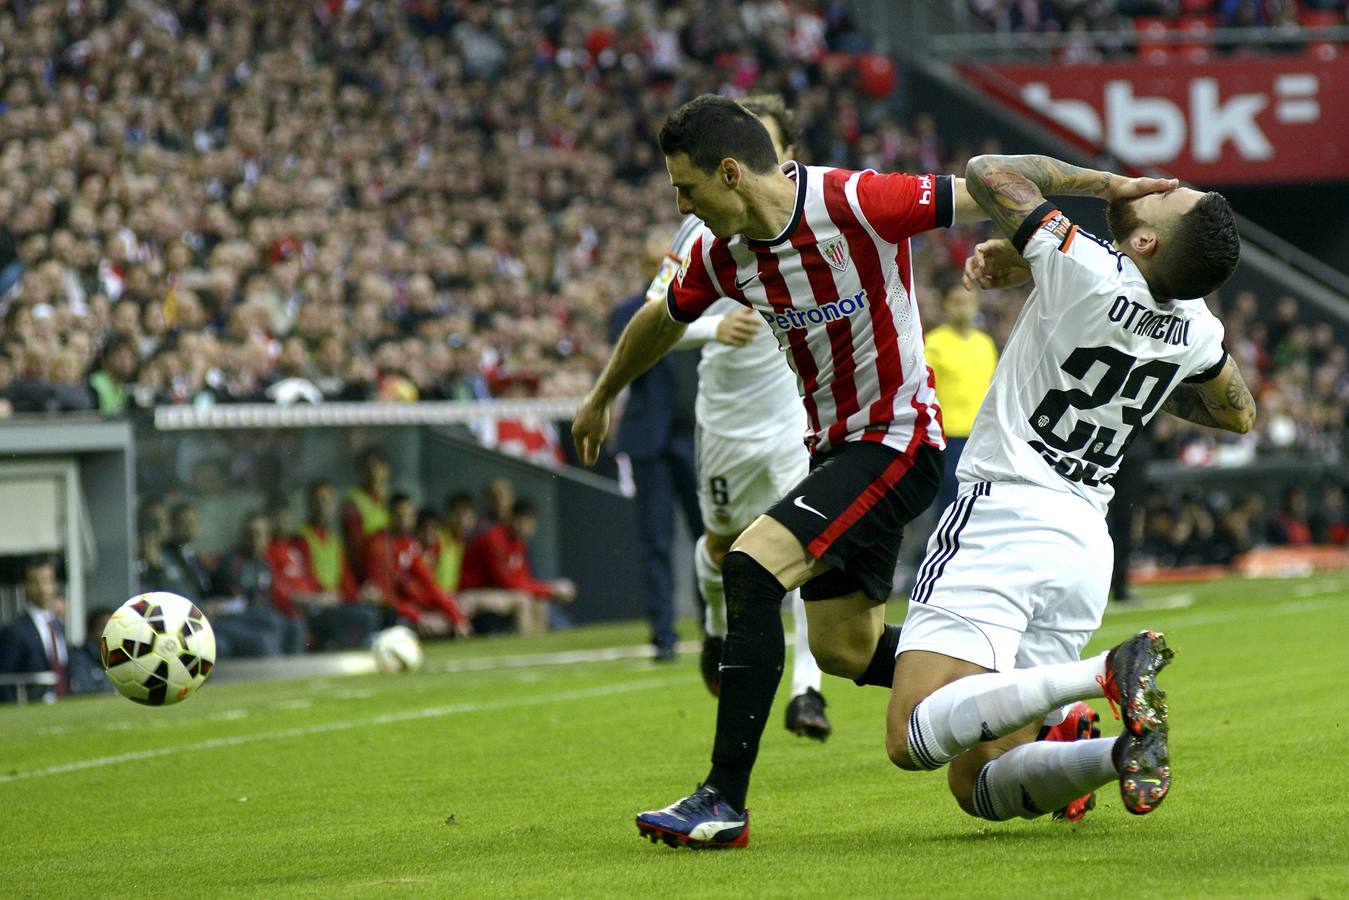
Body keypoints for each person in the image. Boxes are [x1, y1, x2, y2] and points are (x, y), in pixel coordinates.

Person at [571, 93, 988, 847]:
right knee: (843, 648)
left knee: (751, 567)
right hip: (834, 449)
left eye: (685, 187)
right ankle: (1024, 702)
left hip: (899, 442)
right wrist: (602, 393)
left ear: (729, 172)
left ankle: (721, 799)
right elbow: (659, 318)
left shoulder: (852, 200)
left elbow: (983, 190)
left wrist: (1102, 199)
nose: (679, 203)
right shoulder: (717, 253)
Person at [888, 154, 1253, 827]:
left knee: (910, 735)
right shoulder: (1196, 326)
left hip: (1004, 509)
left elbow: (988, 170)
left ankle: (1101, 675)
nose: (1158, 186)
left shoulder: (1082, 264)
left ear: (1145, 242)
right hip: (1084, 542)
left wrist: (1106, 185)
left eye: (1167, 196)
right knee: (978, 783)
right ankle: (1117, 755)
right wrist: (1143, 371)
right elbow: (1238, 413)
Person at [654, 94, 831, 735]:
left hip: (792, 417)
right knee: (724, 546)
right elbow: (658, 308)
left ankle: (808, 691)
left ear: (785, 156)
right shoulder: (702, 227)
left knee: (809, 551)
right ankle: (710, 624)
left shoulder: (816, 219)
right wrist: (711, 327)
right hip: (727, 419)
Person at [612, 238, 703, 662]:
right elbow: (631, 355)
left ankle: (714, 627)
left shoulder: (704, 303)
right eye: (653, 263)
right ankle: (663, 634)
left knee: (710, 536)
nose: (659, 268)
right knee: (656, 540)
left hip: (695, 435)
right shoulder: (626, 313)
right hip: (651, 438)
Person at [265, 499, 381, 651]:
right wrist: (314, 599)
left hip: (318, 606)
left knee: (368, 614)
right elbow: (278, 589)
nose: (284, 523)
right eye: (279, 518)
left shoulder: (294, 549)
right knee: (363, 617)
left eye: (287, 518)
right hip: (300, 611)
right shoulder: (268, 552)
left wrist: (328, 595)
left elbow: (310, 579)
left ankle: (339, 648)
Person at [924, 282, 998, 516]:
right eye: (956, 302)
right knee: (949, 502)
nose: (962, 308)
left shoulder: (985, 344)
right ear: (946, 305)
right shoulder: (934, 343)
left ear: (977, 306)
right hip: (947, 435)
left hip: (980, 436)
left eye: (967, 302)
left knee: (975, 502)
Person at [459, 499, 576, 636]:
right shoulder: (494, 539)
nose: (527, 529)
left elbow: (522, 577)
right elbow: (507, 582)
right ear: (512, 519)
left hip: (494, 592)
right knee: (522, 600)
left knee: (540, 600)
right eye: (523, 523)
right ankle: (525, 647)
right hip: (472, 593)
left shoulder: (519, 542)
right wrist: (551, 589)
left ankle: (540, 648)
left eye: (531, 525)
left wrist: (546, 591)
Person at [365, 493, 471, 638]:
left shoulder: (409, 544)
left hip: (405, 608)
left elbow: (429, 583)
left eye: (409, 515)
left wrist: (457, 617)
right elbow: (382, 595)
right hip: (384, 610)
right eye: (399, 514)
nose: (404, 520)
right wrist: (417, 615)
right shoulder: (379, 544)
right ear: (389, 515)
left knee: (445, 619)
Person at [0, 557, 69, 703]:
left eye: (47, 581)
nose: (42, 588)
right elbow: (5, 680)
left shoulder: (58, 625)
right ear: (24, 586)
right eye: (35, 582)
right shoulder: (15, 631)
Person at [340, 447, 392, 582]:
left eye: (377, 467)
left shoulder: (390, 500)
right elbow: (355, 549)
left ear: (386, 470)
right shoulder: (352, 503)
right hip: (368, 573)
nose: (373, 472)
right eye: (367, 468)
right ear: (360, 472)